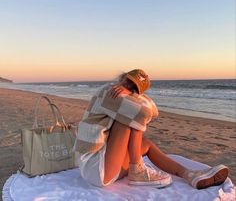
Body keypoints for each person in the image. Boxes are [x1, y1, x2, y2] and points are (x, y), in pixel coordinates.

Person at [74, 69, 229, 189]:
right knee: (130, 117)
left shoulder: (124, 95)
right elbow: (147, 112)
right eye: (128, 81)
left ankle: (189, 174)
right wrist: (135, 95)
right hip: (95, 167)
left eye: (133, 87)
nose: (127, 87)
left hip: (102, 167)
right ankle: (138, 171)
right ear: (122, 77)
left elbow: (152, 111)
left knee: (146, 143)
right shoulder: (109, 91)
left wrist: (132, 95)